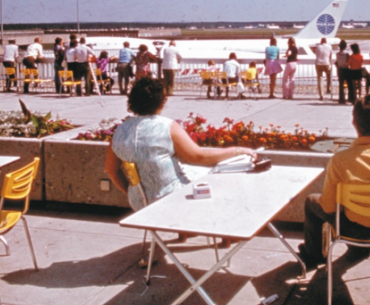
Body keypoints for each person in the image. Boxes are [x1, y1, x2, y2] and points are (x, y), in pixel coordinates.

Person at [104, 76, 257, 216]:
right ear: (161, 101)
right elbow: (198, 156)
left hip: (139, 203)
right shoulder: (167, 126)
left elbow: (112, 170)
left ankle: (184, 233)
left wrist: (134, 193)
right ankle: (225, 235)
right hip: (170, 199)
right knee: (222, 180)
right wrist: (238, 150)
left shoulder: (120, 130)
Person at [297, 95, 370, 268]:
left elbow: (328, 207)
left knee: (312, 201)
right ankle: (360, 249)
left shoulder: (340, 160)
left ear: (354, 123)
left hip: (353, 229)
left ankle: (314, 255)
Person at [334, 38, 350, 105]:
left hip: (340, 69)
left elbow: (336, 62)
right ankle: (349, 97)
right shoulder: (346, 54)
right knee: (349, 84)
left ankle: (341, 99)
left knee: (341, 85)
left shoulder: (337, 54)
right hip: (346, 69)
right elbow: (348, 62)